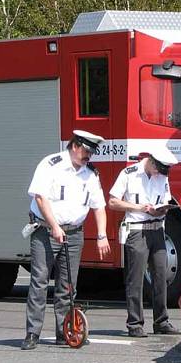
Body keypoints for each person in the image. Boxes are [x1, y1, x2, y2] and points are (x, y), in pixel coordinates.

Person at [21, 130, 111, 350]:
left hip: (74, 233)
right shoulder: (51, 165)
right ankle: (33, 333)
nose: (89, 156)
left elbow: (99, 207)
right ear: (74, 146)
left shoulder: (90, 174)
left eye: (92, 152)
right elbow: (40, 198)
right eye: (86, 151)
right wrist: (54, 227)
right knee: (40, 281)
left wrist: (102, 235)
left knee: (68, 285)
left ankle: (65, 331)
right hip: (45, 230)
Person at [108, 148, 181, 338]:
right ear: (152, 161)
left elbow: (165, 199)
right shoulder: (129, 174)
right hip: (137, 229)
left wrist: (161, 210)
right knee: (136, 278)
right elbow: (113, 202)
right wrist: (138, 207)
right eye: (159, 169)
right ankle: (134, 324)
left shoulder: (161, 176)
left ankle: (161, 321)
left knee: (161, 275)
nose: (160, 174)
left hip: (157, 228)